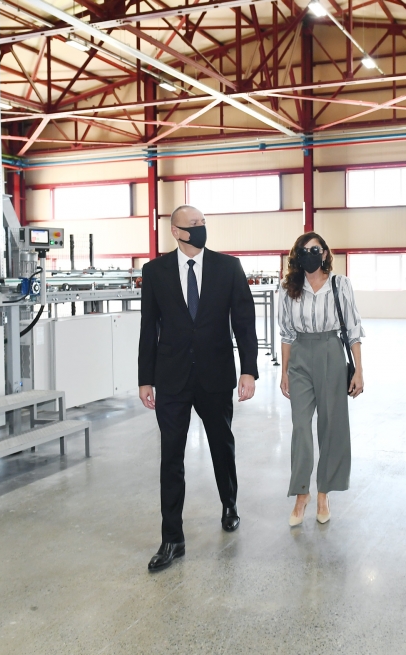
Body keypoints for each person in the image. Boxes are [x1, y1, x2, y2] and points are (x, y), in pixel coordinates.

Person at [137, 205, 260, 573]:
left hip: (215, 375)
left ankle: (229, 503)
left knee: (222, 445)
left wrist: (249, 370)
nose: (201, 228)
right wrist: (145, 378)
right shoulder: (155, 272)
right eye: (193, 224)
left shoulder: (228, 267)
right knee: (171, 457)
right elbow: (148, 328)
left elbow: (244, 321)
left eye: (203, 223)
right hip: (172, 378)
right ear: (175, 231)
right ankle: (172, 538)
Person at [278, 232, 365, 527]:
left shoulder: (340, 285)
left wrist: (359, 370)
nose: (310, 255)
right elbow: (286, 333)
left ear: (325, 253)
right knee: (301, 426)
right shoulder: (288, 288)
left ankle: (324, 492)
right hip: (300, 355)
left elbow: (353, 329)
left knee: (331, 425)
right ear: (297, 256)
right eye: (303, 251)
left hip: (331, 351)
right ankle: (301, 493)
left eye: (315, 249)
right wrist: (284, 371)